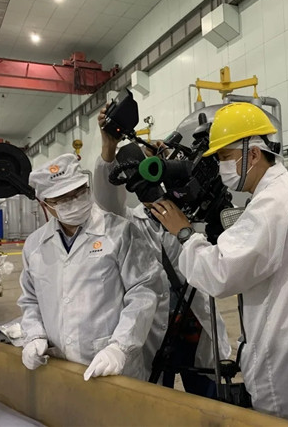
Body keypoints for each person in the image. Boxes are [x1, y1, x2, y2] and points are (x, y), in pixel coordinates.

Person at [152, 102, 288, 424]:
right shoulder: (286, 190)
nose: (221, 168)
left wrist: (185, 234)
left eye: (225, 157)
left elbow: (221, 273)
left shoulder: (273, 202)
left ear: (254, 154)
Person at [93, 107, 231, 398]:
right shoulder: (129, 221)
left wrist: (171, 165)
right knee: (157, 398)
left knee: (208, 397)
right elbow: (106, 201)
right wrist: (109, 147)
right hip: (155, 329)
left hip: (194, 324)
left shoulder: (192, 212)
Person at [18, 153, 169, 382]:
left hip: (112, 362)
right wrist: (34, 335)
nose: (74, 201)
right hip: (59, 363)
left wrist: (120, 347)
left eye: (78, 192)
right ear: (45, 204)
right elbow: (30, 299)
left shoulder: (120, 232)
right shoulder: (35, 245)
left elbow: (144, 292)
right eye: (62, 199)